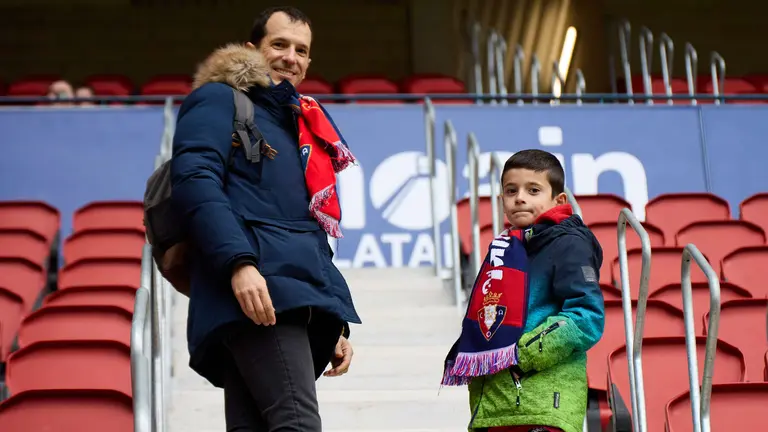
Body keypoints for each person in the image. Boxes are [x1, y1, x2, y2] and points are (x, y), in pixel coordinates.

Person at [169, 6, 361, 431]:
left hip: (290, 293)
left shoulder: (301, 123)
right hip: (256, 292)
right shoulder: (219, 98)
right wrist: (239, 263)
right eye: (279, 44)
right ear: (253, 49)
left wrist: (331, 319)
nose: (291, 57)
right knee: (297, 424)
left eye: (301, 50)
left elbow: (300, 226)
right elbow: (195, 182)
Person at [441, 149, 604, 432]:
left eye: (533, 190)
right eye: (511, 190)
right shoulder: (505, 250)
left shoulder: (569, 244)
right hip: (496, 407)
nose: (520, 197)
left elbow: (587, 317)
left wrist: (521, 355)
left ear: (559, 200)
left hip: (542, 409)